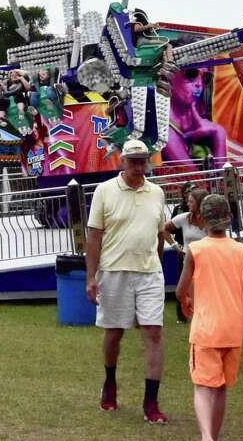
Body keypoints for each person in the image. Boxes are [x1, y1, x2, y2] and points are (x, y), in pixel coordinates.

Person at [85, 138, 169, 424]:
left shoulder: (156, 193)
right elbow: (94, 235)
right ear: (121, 160)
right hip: (114, 271)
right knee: (114, 333)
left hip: (149, 272)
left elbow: (159, 234)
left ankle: (151, 403)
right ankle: (110, 381)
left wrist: (155, 263)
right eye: (133, 160)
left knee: (154, 333)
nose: (138, 166)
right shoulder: (105, 191)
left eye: (143, 160)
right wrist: (91, 277)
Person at [176, 195, 243, 441]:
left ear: (202, 220)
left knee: (202, 386)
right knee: (220, 388)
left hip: (206, 330)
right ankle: (213, 436)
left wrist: (185, 300)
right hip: (232, 330)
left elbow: (180, 289)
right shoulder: (241, 250)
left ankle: (207, 437)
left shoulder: (195, 250)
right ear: (229, 218)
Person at [165, 188, 209, 323]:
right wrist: (174, 246)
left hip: (208, 263)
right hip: (189, 264)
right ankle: (195, 324)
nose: (188, 204)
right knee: (191, 296)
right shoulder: (184, 218)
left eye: (191, 201)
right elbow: (164, 229)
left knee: (208, 296)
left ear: (200, 203)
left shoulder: (210, 219)